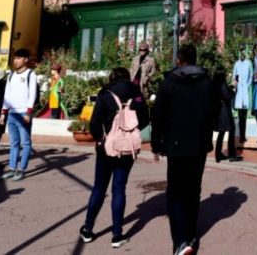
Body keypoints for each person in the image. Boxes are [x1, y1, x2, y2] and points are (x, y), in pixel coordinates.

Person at [151, 44, 216, 255]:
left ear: (179, 60)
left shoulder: (170, 82)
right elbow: (214, 111)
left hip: (176, 144)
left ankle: (180, 241)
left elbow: (158, 114)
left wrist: (156, 142)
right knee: (193, 189)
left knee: (176, 192)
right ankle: (189, 234)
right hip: (199, 143)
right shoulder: (207, 82)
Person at [78, 67, 150, 248]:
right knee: (119, 188)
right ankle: (117, 235)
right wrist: (130, 132)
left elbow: (95, 122)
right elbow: (145, 119)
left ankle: (88, 229)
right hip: (128, 149)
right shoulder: (137, 94)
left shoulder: (105, 93)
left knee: (99, 188)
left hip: (107, 147)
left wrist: (100, 138)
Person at [1, 49, 39, 180]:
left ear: (26, 60)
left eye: (19, 58)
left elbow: (32, 94)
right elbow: (7, 94)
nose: (15, 61)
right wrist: (3, 112)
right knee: (14, 143)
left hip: (23, 113)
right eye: (15, 58)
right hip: (12, 113)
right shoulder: (11, 75)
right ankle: (12, 168)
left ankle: (21, 169)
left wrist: (29, 112)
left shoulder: (30, 74)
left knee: (26, 143)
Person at [212, 66, 240, 162]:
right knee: (231, 130)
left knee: (221, 132)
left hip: (218, 111)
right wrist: (233, 91)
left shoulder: (214, 83)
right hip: (225, 112)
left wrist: (231, 86)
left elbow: (223, 91)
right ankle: (232, 154)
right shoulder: (222, 84)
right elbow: (227, 96)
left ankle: (218, 154)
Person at [231, 49, 253, 146]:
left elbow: (251, 76)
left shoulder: (249, 63)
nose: (242, 55)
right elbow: (234, 76)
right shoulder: (236, 64)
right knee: (240, 115)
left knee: (244, 115)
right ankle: (241, 136)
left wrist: (247, 85)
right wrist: (236, 85)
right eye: (241, 53)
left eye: (244, 53)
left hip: (245, 90)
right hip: (239, 90)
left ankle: (243, 135)